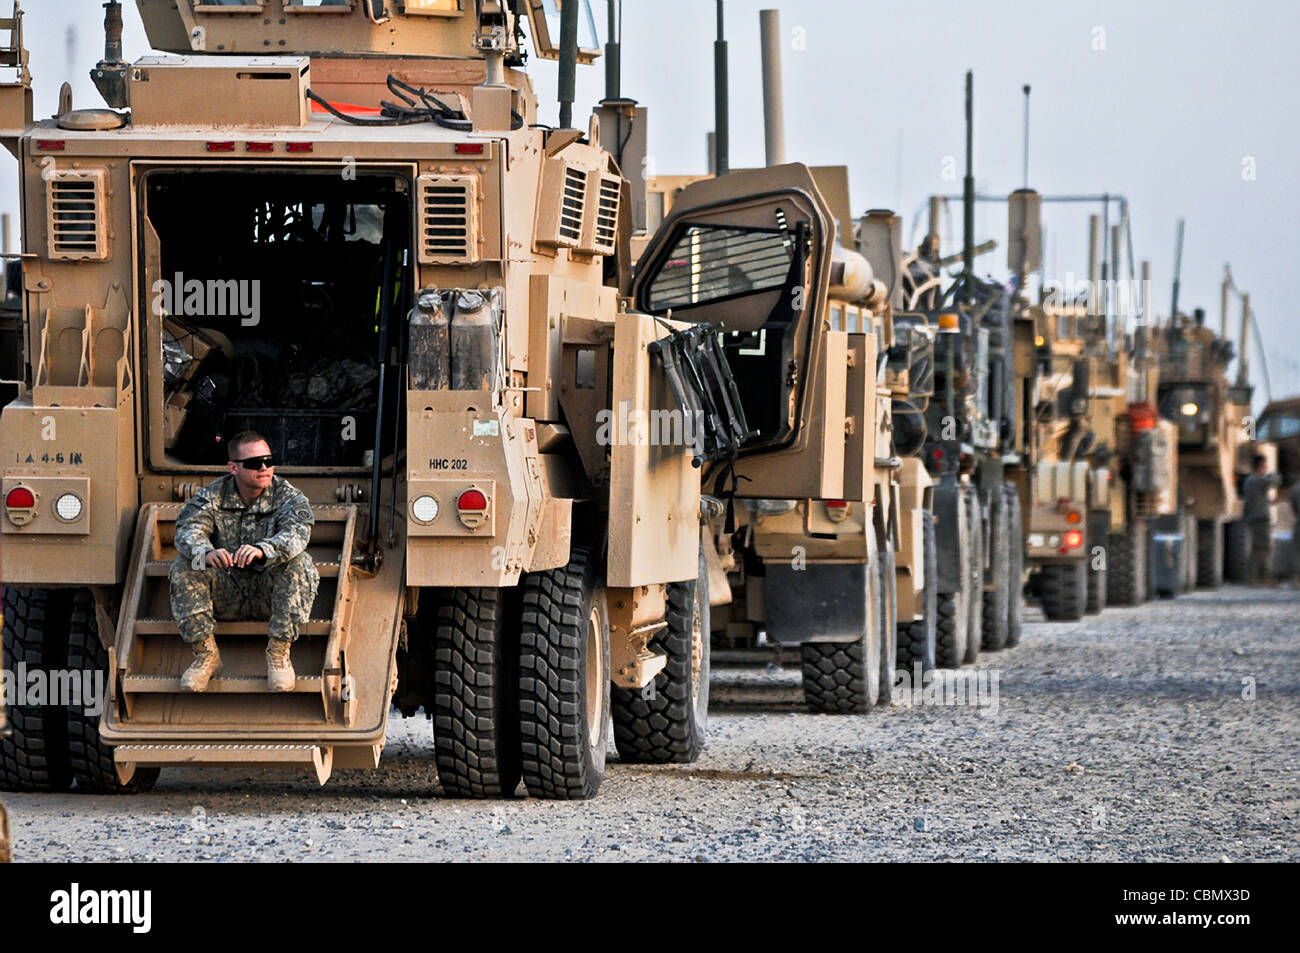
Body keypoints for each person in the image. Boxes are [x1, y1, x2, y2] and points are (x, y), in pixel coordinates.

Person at [169, 431, 320, 692]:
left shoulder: (288, 495)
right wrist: (206, 552)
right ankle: (206, 655)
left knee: (300, 563)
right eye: (253, 463)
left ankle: (279, 654)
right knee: (185, 565)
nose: (263, 467)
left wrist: (264, 550)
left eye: (268, 460)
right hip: (226, 591)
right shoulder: (211, 495)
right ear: (234, 468)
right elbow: (187, 529)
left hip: (268, 593)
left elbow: (298, 531)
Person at [1241, 453, 1280, 586]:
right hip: (1260, 518)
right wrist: (1272, 472)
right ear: (1260, 466)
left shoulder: (1250, 480)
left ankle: (1259, 577)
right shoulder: (1257, 479)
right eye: (1264, 466)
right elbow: (1276, 480)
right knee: (1262, 548)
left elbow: (1257, 498)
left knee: (1260, 547)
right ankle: (1258, 577)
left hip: (1254, 516)